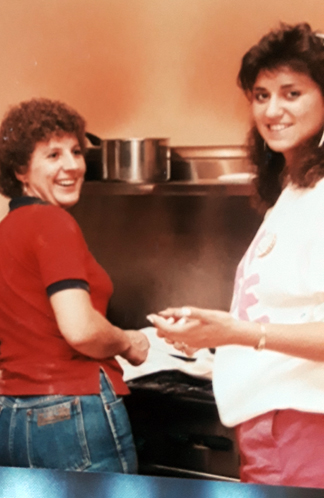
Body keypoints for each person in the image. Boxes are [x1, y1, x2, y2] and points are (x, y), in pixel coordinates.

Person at [147, 23, 324, 488]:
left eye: (292, 93)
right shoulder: (294, 193)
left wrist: (237, 333)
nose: (273, 109)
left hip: (304, 429)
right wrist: (212, 337)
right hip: (271, 426)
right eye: (261, 95)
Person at [0, 98, 150, 473]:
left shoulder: (6, 233)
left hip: (9, 418)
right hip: (73, 412)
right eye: (53, 155)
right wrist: (128, 341)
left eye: (75, 151)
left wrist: (4, 372)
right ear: (21, 169)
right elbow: (81, 330)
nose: (72, 165)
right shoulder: (54, 223)